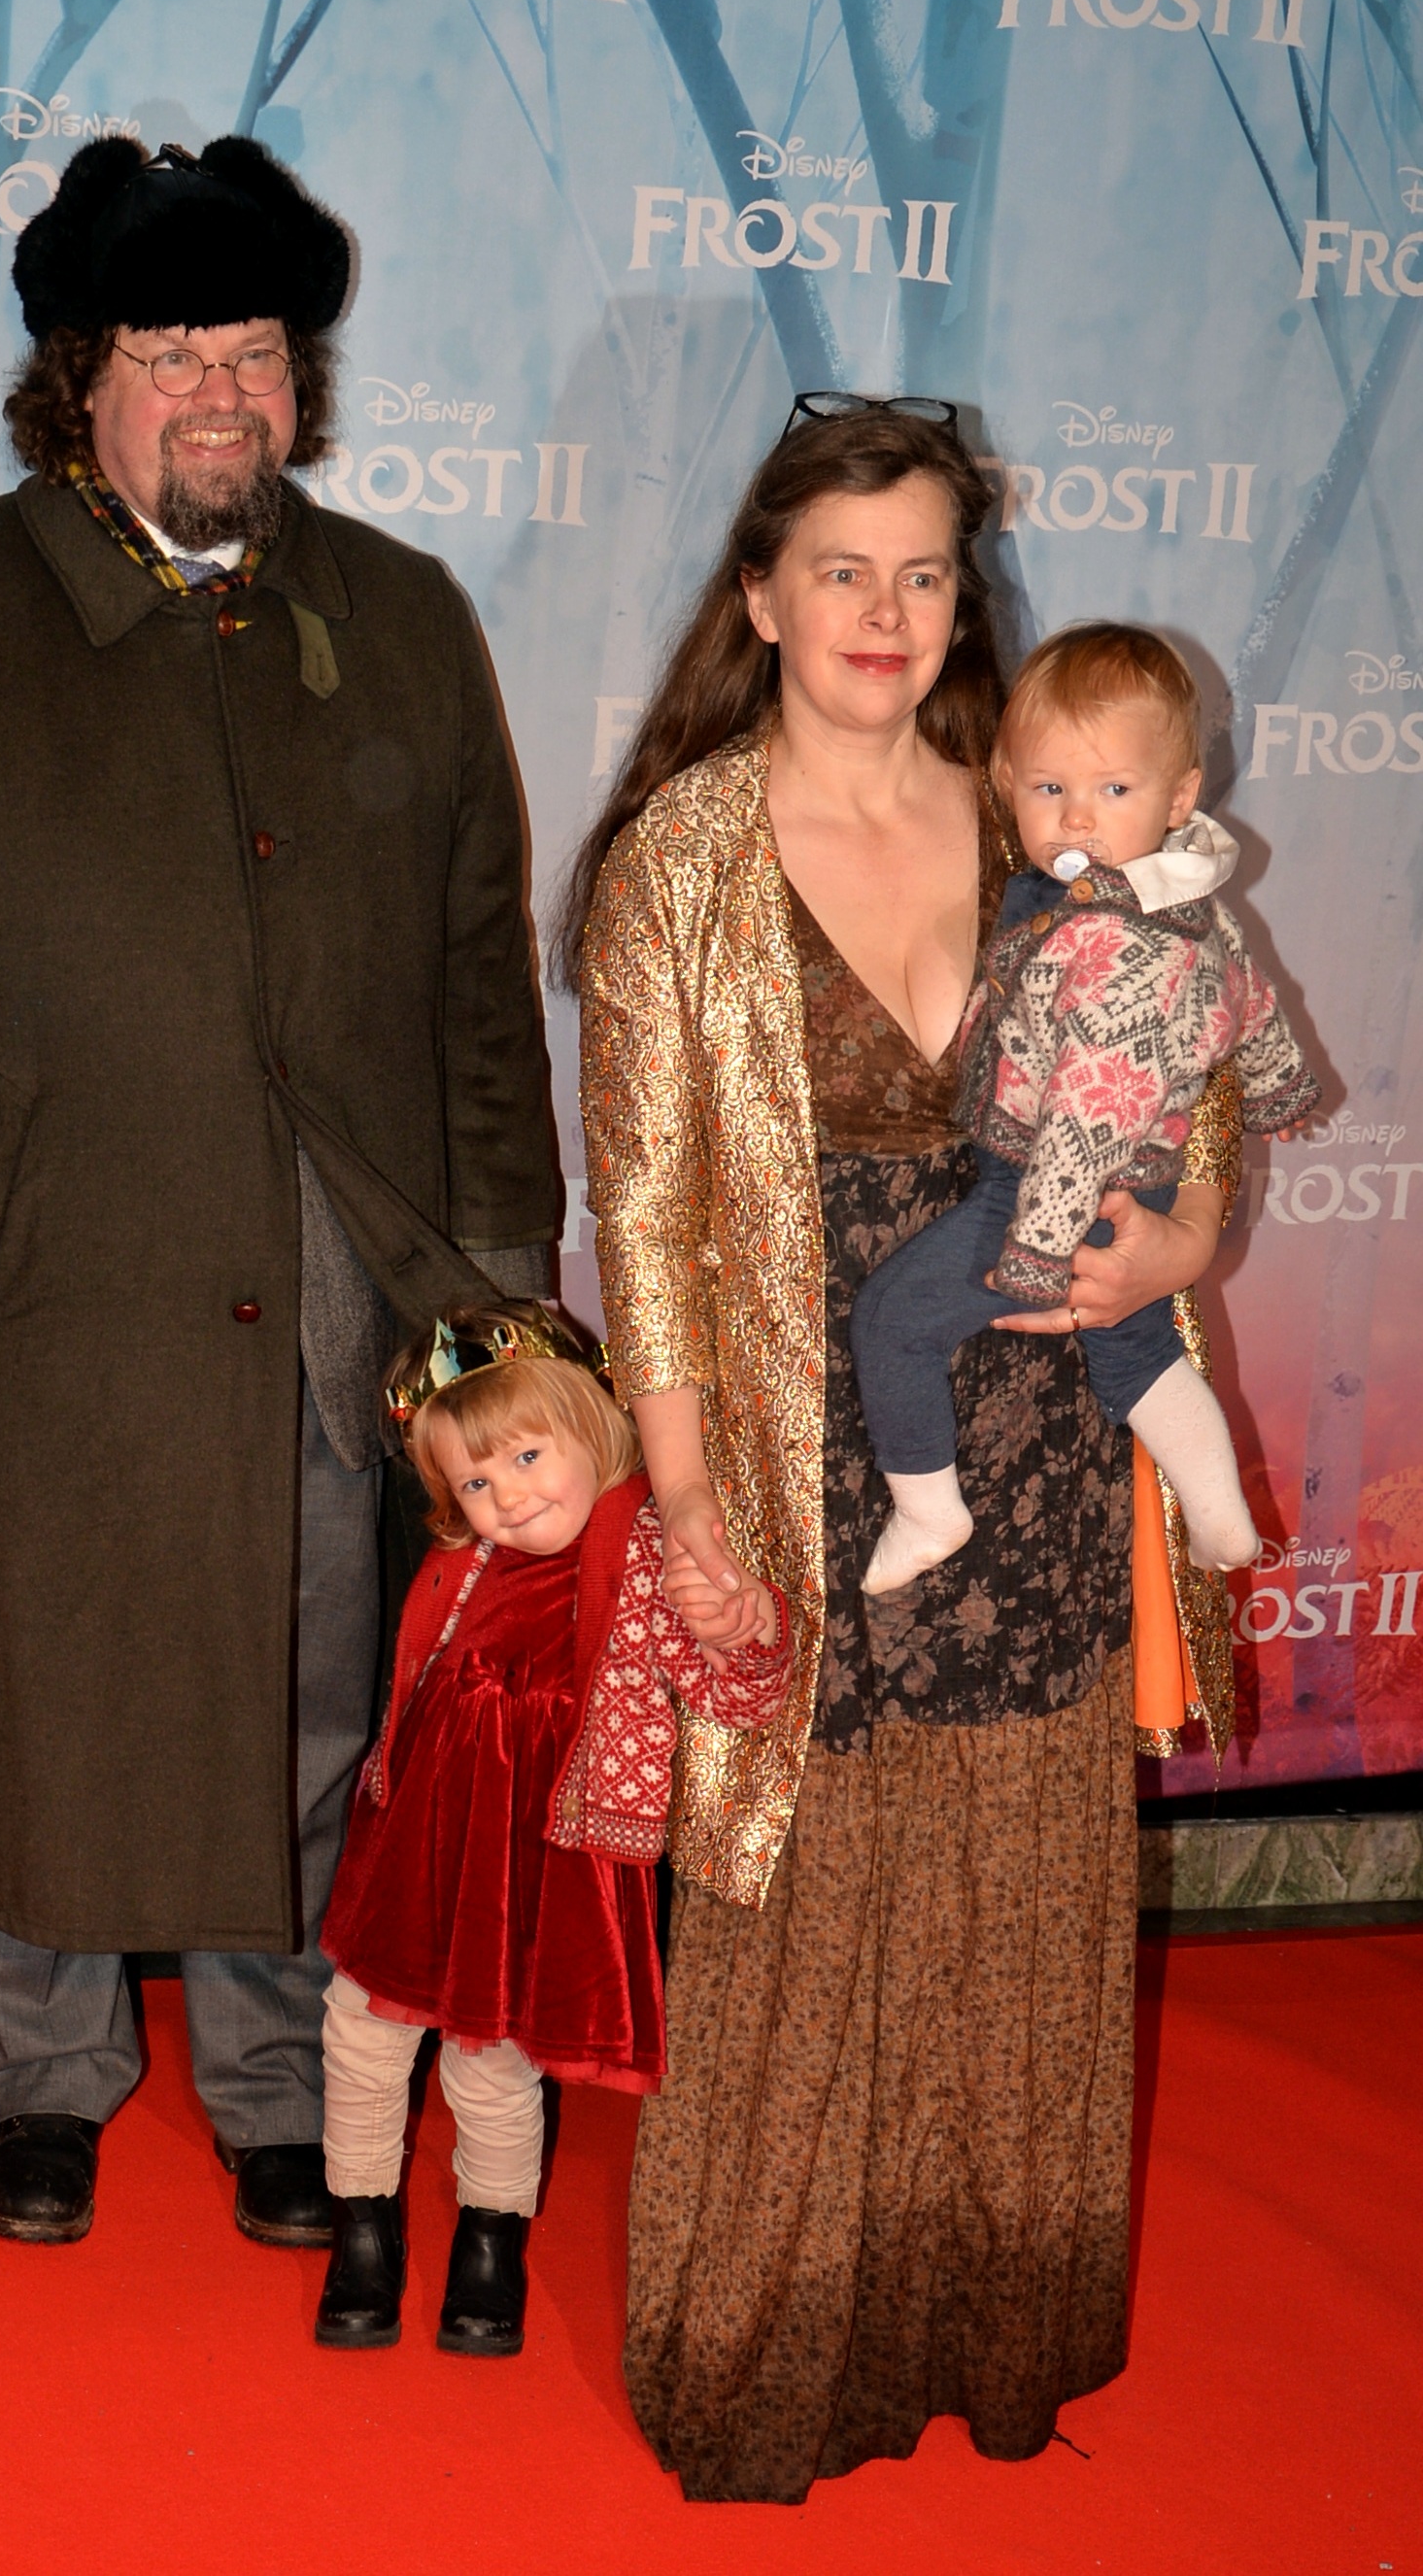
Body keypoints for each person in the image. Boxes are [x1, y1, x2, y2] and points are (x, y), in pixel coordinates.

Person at [0, 136, 559, 2254]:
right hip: (40, 1274)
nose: (219, 393)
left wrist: (500, 1294)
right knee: (49, 1682)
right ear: (79, 382)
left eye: (255, 350)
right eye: (170, 351)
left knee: (309, 1687)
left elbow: (480, 987)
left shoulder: (399, 614)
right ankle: (43, 2074)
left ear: (303, 380)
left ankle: (283, 2084)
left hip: (337, 1279)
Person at [563, 395, 1250, 2502]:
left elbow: (1199, 1098)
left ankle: (992, 2325)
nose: (884, 610)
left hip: (1044, 1438)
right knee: (807, 1912)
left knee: (1018, 1892)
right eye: (841, 569)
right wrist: (688, 1505)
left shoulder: (1050, 817)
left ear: (967, 600)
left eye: (925, 571)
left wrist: (1177, 1242)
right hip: (804, 1459)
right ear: (761, 596)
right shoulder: (678, 859)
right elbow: (648, 1215)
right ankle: (767, 2351)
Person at [313, 1305, 789, 2357]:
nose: (511, 1497)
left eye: (528, 1457)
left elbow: (738, 1693)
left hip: (534, 1858)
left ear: (593, 1424)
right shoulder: (463, 1563)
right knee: (361, 2027)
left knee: (491, 2056)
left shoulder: (645, 1551)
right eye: (478, 1482)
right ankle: (363, 2226)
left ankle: (490, 2243)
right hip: (425, 1839)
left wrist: (746, 1626)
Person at [853, 623, 1318, 1593]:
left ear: (1179, 797)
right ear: (1006, 782)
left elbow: (1085, 1114)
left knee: (894, 1320)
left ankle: (927, 1507)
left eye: (1112, 791)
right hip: (1140, 1188)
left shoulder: (1112, 944)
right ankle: (1222, 1516)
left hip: (1045, 1193)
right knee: (1136, 1350)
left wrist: (1037, 1249)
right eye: (1048, 789)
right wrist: (1281, 1084)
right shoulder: (1184, 904)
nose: (1075, 818)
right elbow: (1251, 999)